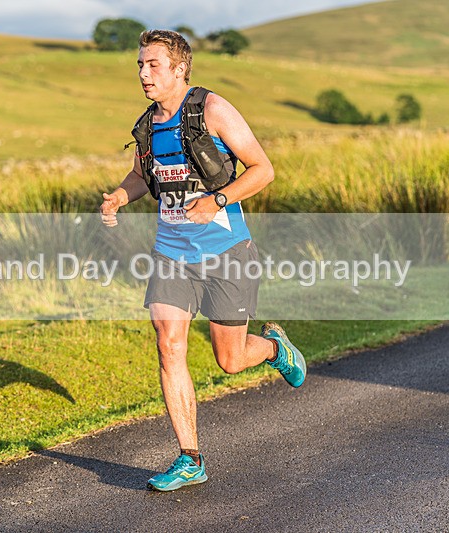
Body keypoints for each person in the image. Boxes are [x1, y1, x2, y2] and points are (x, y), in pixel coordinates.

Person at [99, 29, 306, 492]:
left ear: (179, 68)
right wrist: (118, 196)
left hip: (226, 250)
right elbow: (140, 176)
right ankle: (190, 458)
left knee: (229, 360)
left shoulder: (212, 109)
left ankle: (274, 346)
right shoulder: (147, 126)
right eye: (139, 65)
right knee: (168, 341)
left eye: (153, 64)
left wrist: (218, 200)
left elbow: (263, 169)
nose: (143, 73)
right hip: (172, 253)